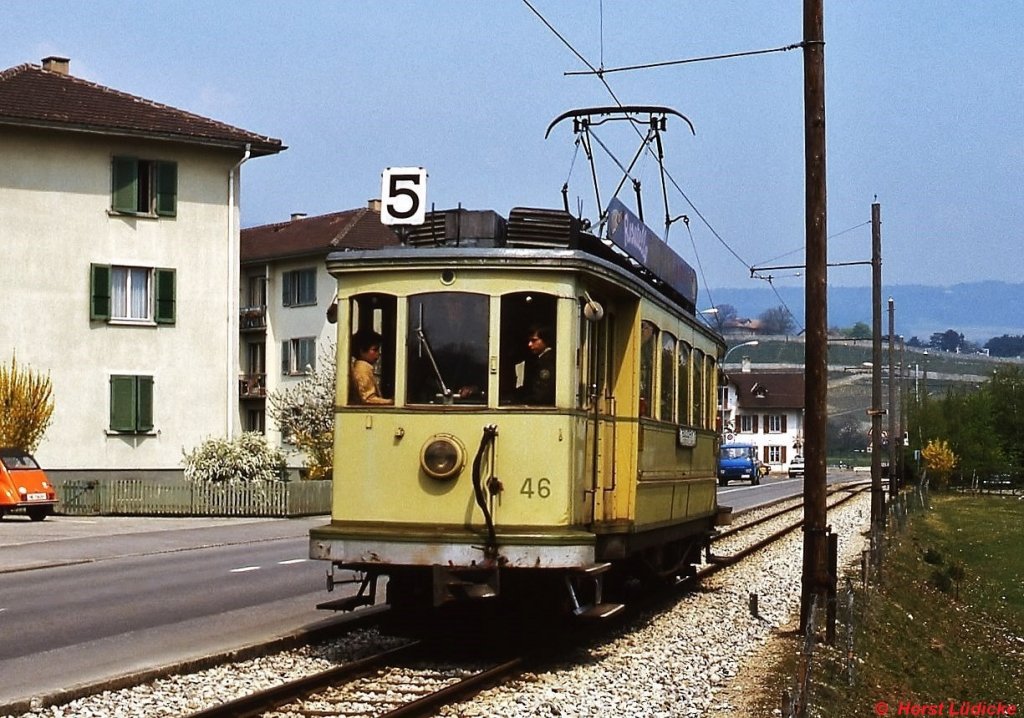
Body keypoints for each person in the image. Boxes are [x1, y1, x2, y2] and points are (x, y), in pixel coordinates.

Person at [349, 330, 393, 405]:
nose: (378, 353)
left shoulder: (364, 368)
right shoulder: (362, 370)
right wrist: (391, 402)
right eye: (374, 350)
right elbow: (368, 399)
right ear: (362, 351)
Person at [514, 326, 555, 404]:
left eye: (534, 340)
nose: (529, 344)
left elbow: (541, 393)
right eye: (529, 341)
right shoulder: (539, 359)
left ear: (545, 340)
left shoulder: (547, 361)